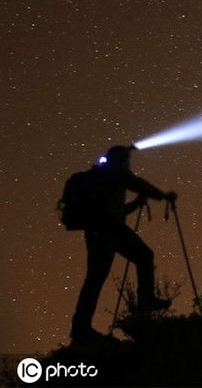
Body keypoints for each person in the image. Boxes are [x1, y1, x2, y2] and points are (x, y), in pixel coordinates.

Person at [70, 144, 177, 342]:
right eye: (127, 161)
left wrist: (137, 203)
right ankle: (145, 300)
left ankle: (80, 329)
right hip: (109, 230)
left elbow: (115, 212)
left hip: (97, 231)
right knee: (144, 256)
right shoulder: (116, 172)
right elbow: (138, 184)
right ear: (122, 161)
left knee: (94, 280)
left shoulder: (102, 177)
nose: (129, 165)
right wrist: (163, 196)